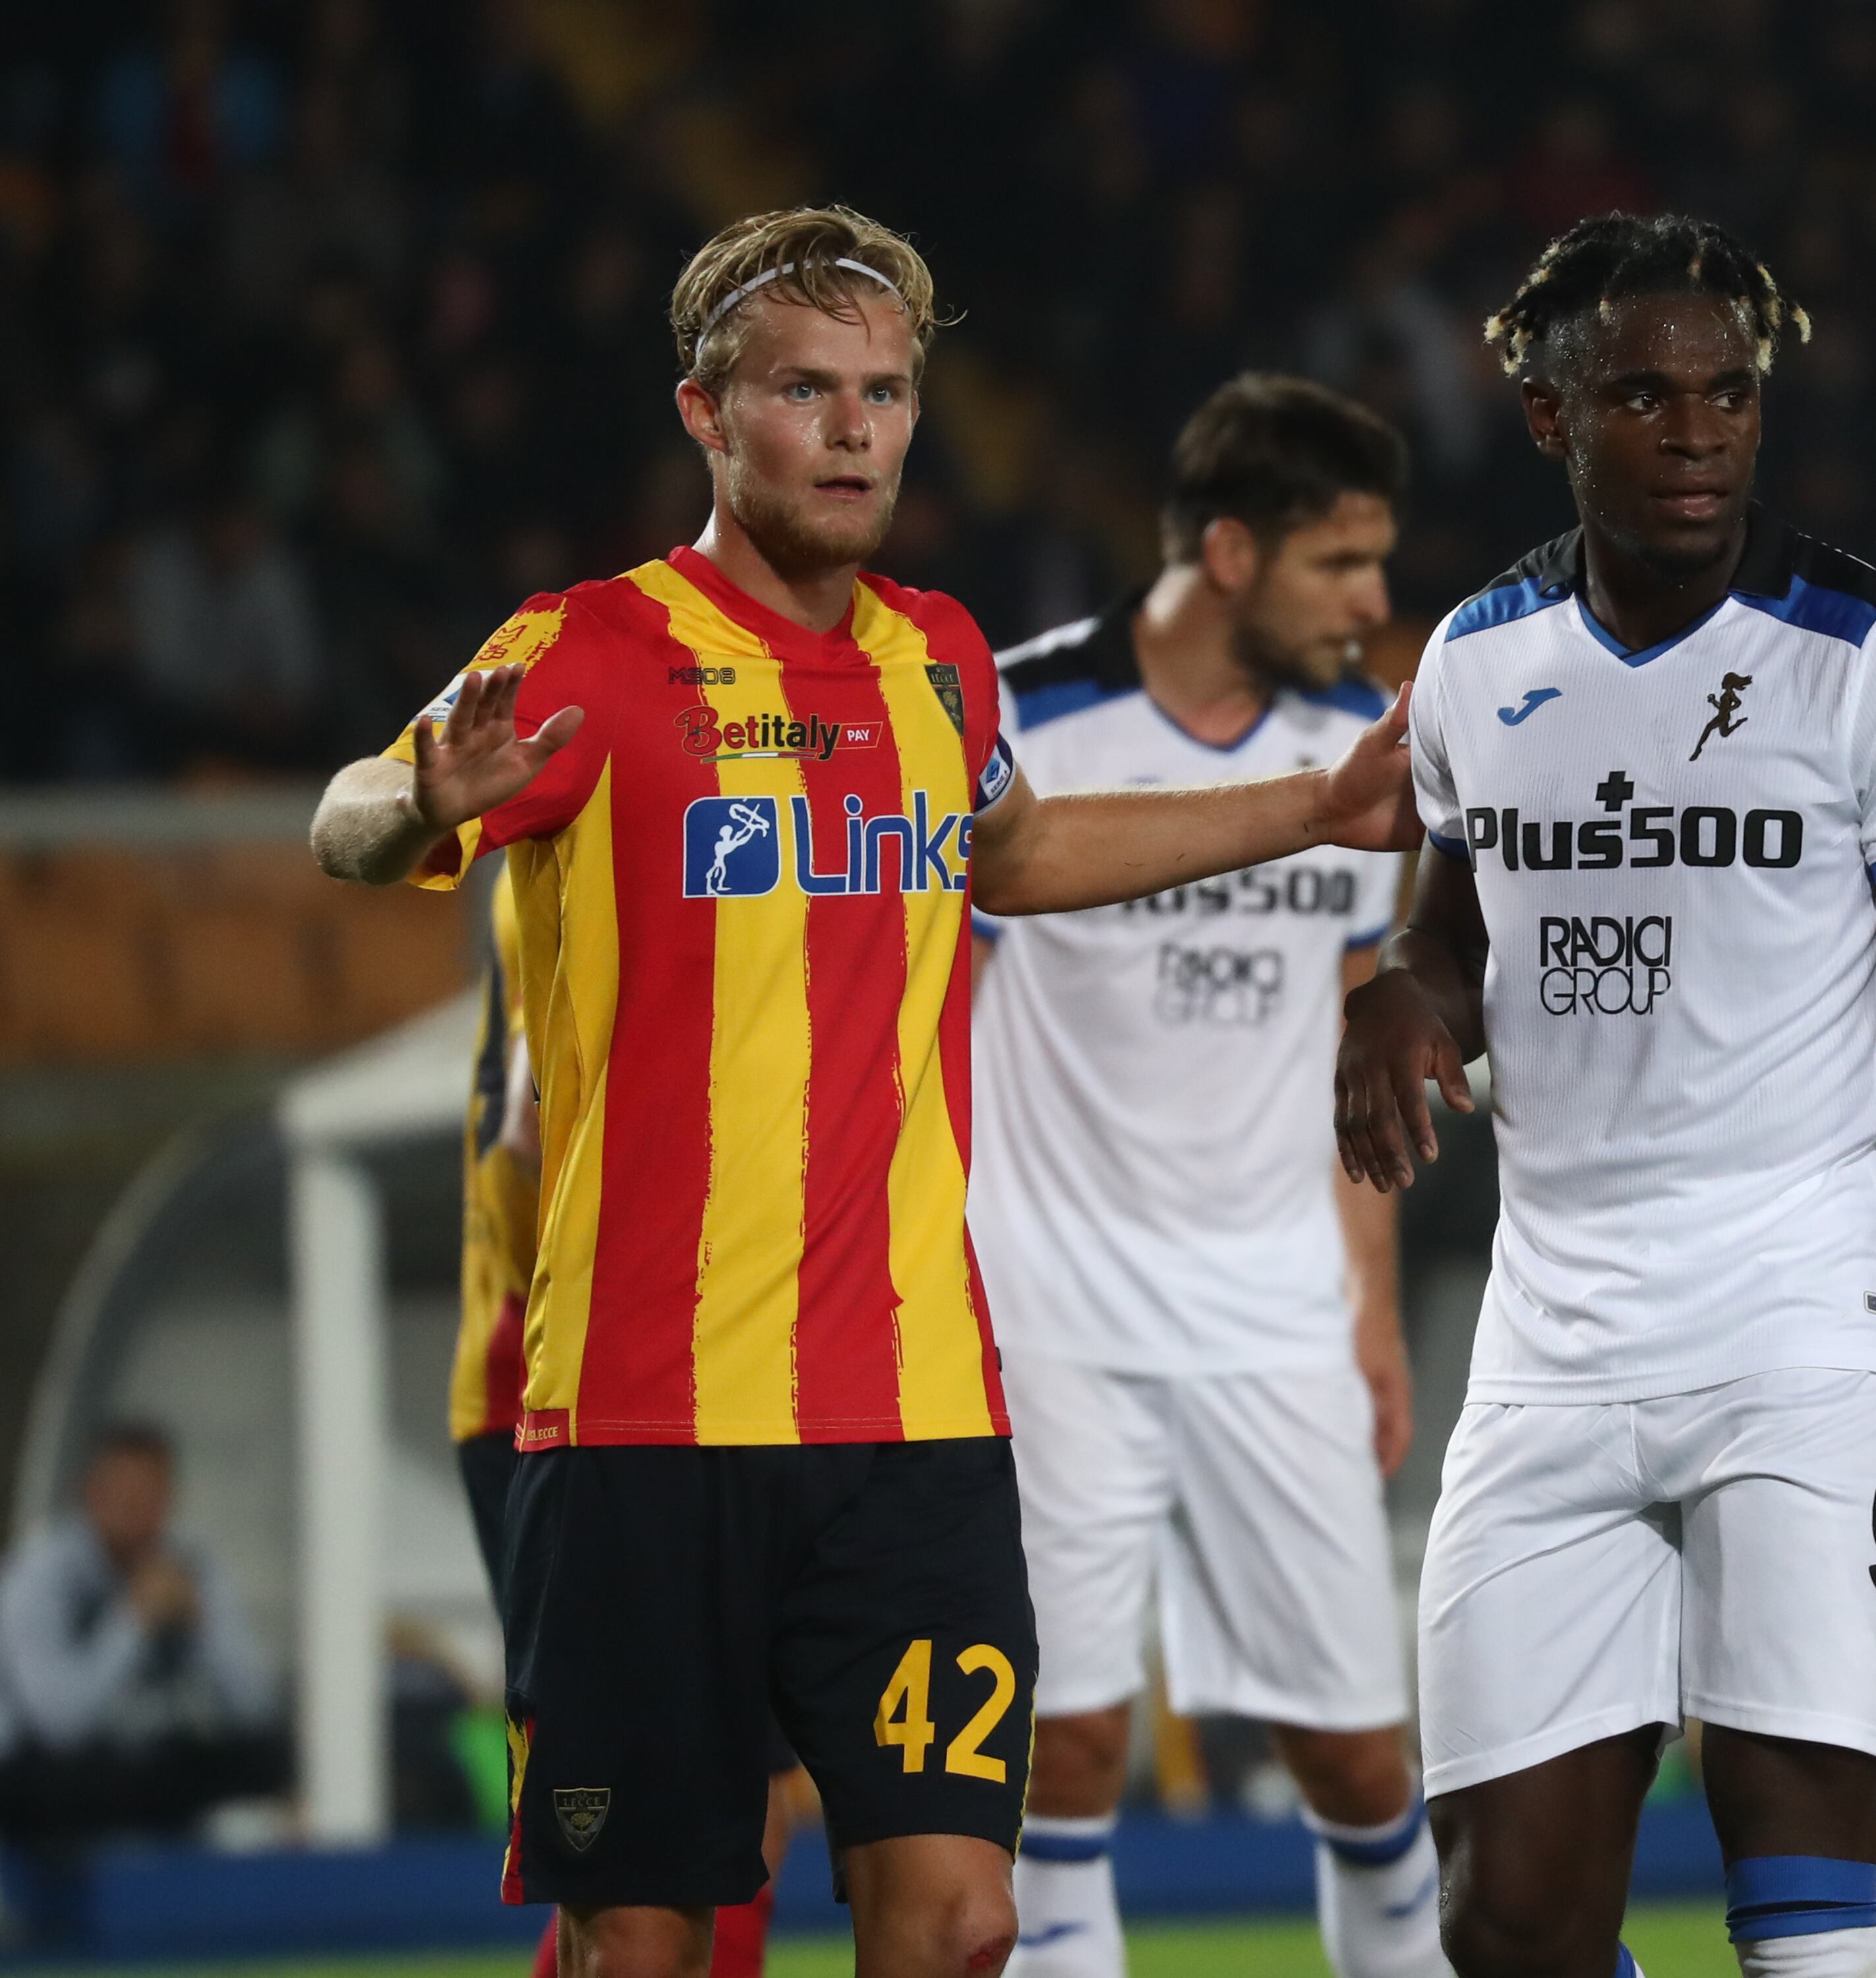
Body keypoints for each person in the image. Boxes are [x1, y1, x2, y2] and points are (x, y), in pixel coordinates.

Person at [308, 203, 1416, 1978]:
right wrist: (421, 800)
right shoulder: (589, 646)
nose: (852, 431)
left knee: (964, 1917)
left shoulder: (938, 654)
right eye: (803, 391)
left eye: (884, 393)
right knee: (644, 1938)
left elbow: (1019, 852)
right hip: (648, 1418)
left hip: (915, 1420)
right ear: (705, 413)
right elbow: (347, 817)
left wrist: (1311, 807)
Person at [1333, 210, 1876, 1978]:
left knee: (1797, 1890)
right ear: (1549, 417)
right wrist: (1399, 995)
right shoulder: (1478, 661)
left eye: (1728, 393)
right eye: (1643, 397)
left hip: (1804, 1312)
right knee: (1506, 1921)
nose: (1697, 432)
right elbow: (1450, 937)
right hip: (1552, 1326)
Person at [969, 375, 1445, 1978]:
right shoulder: (1018, 721)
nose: (1371, 603)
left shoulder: (1351, 754)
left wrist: (1367, 1311)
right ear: (1230, 553)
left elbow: (1350, 1054)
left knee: (1360, 1760)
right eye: (1341, 563)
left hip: (1273, 1312)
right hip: (1047, 1312)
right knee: (1062, 1749)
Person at [449, 866, 798, 1978]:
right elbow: (532, 1127)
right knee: (692, 1835)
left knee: (692, 1833)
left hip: (600, 1395)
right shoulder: (587, 858)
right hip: (590, 1404)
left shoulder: (572, 851)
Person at [0, 1422, 286, 1843]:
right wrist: (132, 1623)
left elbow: (256, 1707)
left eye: (151, 1497)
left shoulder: (188, 1565)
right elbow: (59, 1725)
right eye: (125, 1496)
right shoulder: (40, 1574)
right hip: (53, 1775)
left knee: (273, 1759)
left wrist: (202, 1625)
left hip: (147, 1762)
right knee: (56, 1783)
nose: (137, 1512)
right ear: (93, 1496)